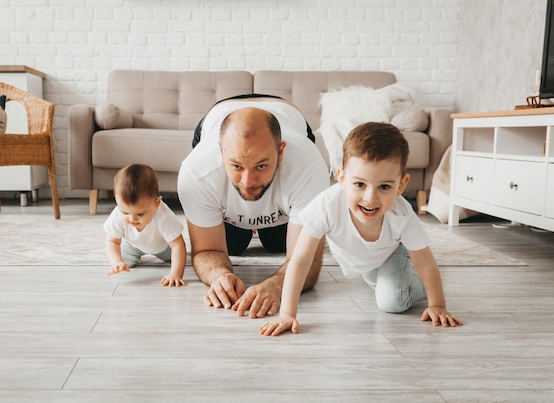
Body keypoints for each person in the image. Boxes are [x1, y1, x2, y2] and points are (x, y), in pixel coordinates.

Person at [259, 122, 463, 336]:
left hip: (395, 253)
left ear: (401, 186)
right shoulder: (327, 205)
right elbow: (300, 260)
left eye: (384, 187)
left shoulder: (401, 215)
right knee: (377, 282)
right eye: (360, 185)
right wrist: (287, 314)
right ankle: (388, 277)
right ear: (342, 178)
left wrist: (437, 304)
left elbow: (425, 261)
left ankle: (416, 282)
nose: (370, 198)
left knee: (391, 301)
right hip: (369, 263)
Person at [177, 95, 330, 318]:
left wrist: (277, 285)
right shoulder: (197, 171)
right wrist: (219, 276)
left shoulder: (309, 166)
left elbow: (308, 261)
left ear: (280, 153)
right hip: (218, 114)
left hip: (287, 114)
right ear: (221, 152)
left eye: (261, 165)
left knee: (278, 243)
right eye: (237, 166)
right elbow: (206, 251)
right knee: (233, 245)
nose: (248, 182)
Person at [104, 163, 187, 287]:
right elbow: (112, 242)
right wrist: (117, 262)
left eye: (140, 214)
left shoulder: (164, 216)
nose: (132, 219)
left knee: (177, 258)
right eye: (125, 212)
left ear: (157, 203)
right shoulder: (118, 214)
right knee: (124, 262)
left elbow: (177, 245)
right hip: (131, 245)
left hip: (162, 246)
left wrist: (175, 274)